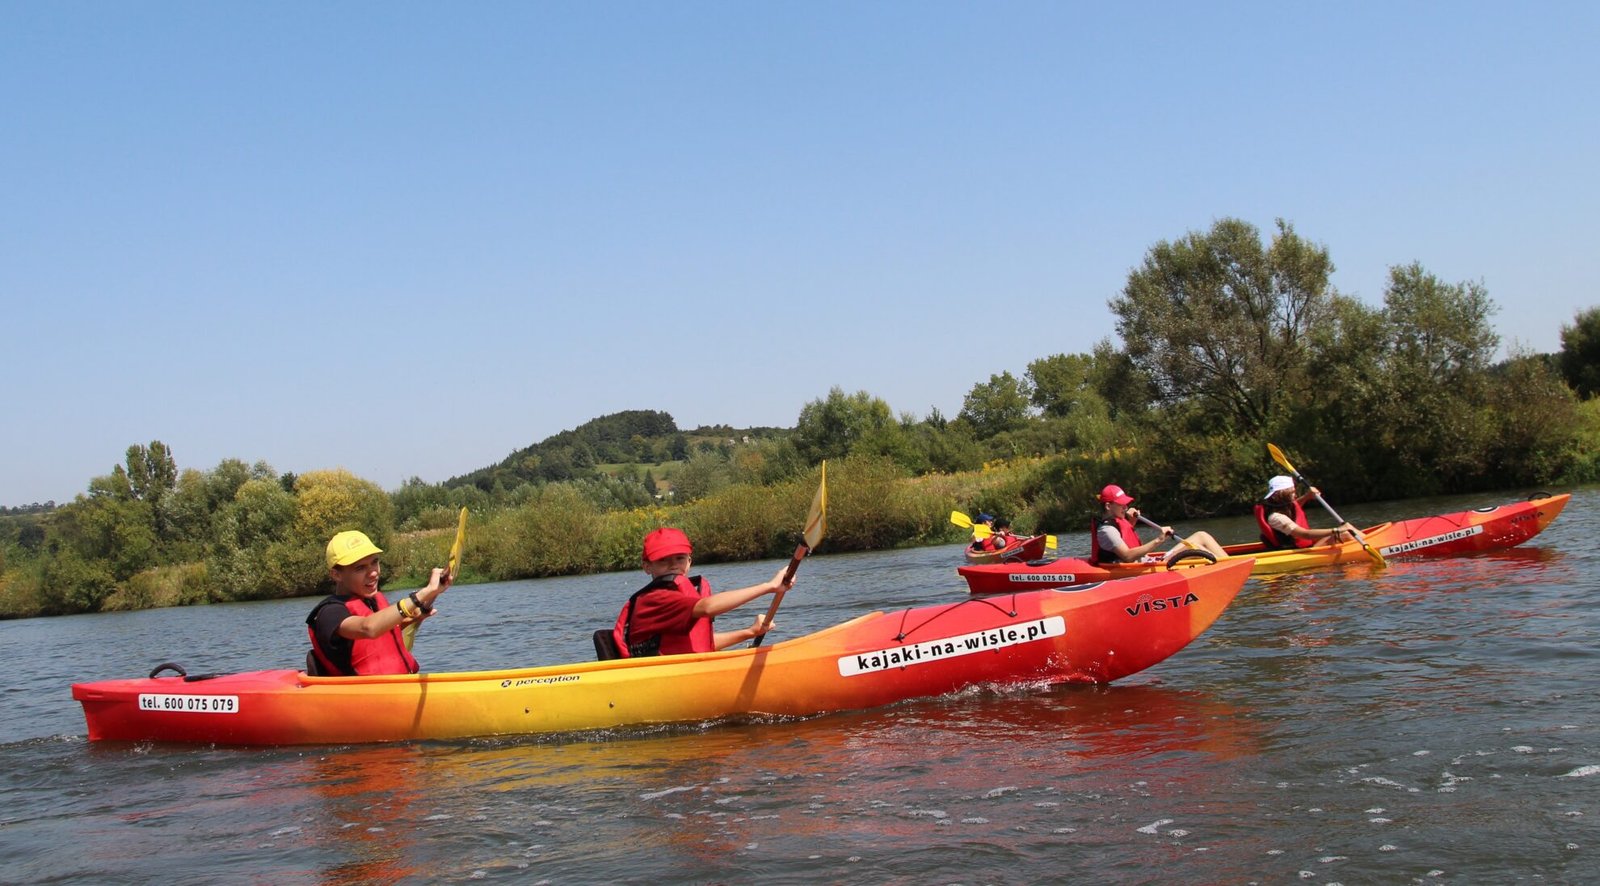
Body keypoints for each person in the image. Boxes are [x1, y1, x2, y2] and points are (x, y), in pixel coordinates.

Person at [604, 527, 796, 658]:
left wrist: (749, 632)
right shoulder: (656, 598)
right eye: (663, 560)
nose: (673, 565)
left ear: (689, 562)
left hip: (681, 674)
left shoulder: (681, 595)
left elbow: (702, 643)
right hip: (660, 680)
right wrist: (769, 586)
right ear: (647, 567)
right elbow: (708, 607)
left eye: (679, 558)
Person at [306, 530, 453, 676]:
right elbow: (368, 628)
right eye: (360, 568)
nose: (373, 573)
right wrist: (422, 594)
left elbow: (387, 629)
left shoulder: (371, 601)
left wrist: (430, 597)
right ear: (336, 575)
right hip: (366, 690)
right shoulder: (329, 613)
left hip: (401, 684)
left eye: (374, 562)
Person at [1089, 484, 1229, 565]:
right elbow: (1127, 556)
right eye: (1121, 504)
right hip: (1145, 568)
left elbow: (1126, 539)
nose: (1126, 507)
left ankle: (1229, 564)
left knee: (1201, 535)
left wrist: (1131, 522)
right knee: (1196, 549)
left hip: (1149, 561)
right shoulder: (1106, 530)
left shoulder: (1117, 521)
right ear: (1108, 506)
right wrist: (1159, 539)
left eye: (1126, 504)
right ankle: (1228, 568)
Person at [1255, 475, 1356, 549]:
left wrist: (1307, 496)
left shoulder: (1281, 506)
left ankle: (1361, 540)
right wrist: (1337, 530)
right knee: (1346, 534)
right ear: (1282, 494)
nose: (1295, 495)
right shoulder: (1276, 518)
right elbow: (1305, 534)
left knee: (1350, 531)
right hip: (1297, 552)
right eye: (1292, 492)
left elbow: (1295, 506)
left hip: (1305, 546)